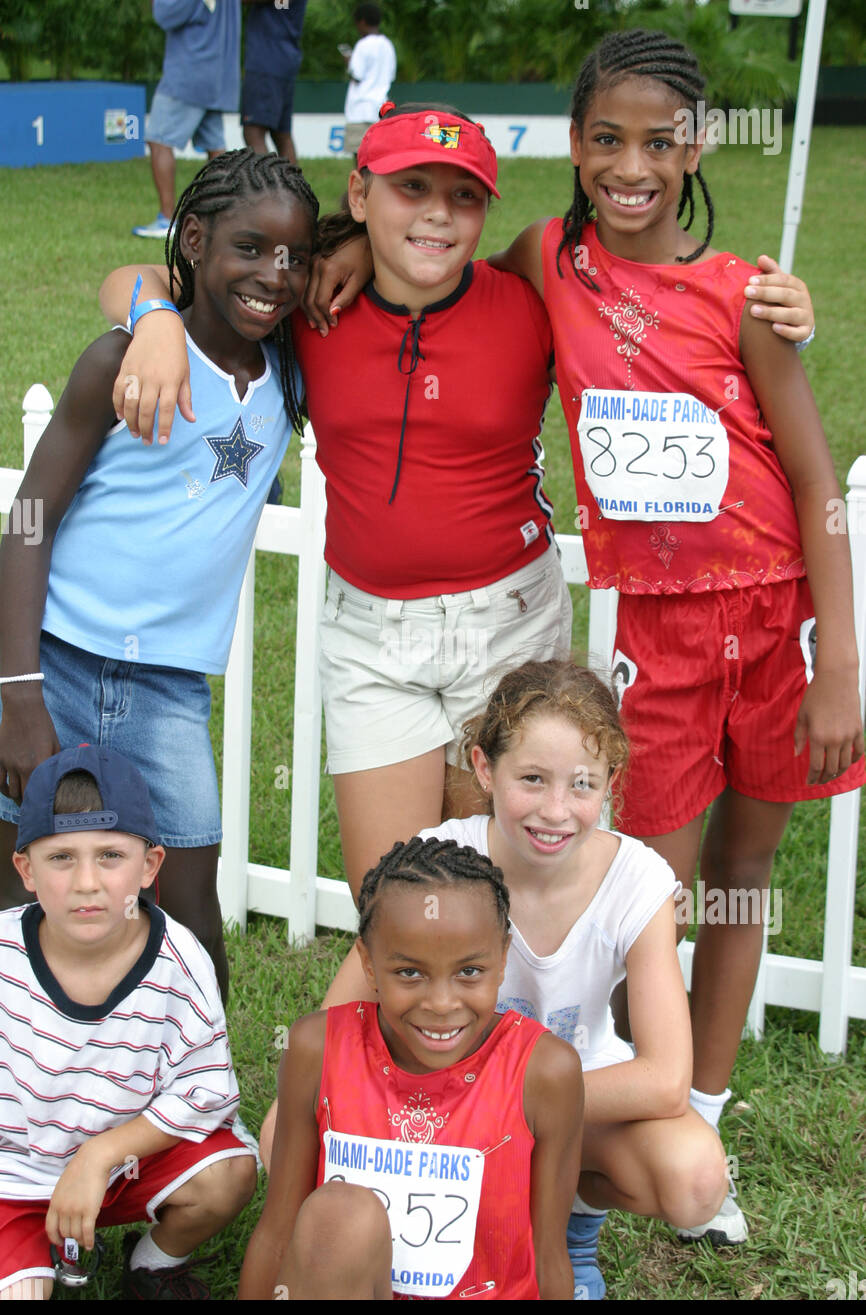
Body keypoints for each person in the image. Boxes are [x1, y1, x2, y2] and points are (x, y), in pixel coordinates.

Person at [482, 30, 864, 1245]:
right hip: (662, 631)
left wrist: (840, 660)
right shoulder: (551, 256)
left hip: (776, 621)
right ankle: (601, 1131)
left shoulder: (744, 293)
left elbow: (815, 487)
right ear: (577, 144)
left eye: (657, 141)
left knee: (741, 882)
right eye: (605, 139)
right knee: (640, 886)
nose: (629, 165)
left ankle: (696, 1109)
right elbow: (444, 284)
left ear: (695, 146)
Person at [100, 105, 574, 905]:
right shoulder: (308, 312)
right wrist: (152, 323)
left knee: (497, 899)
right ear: (359, 192)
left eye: (464, 196)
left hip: (509, 622)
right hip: (371, 637)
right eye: (410, 188)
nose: (437, 213)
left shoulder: (528, 303)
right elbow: (133, 280)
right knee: (393, 902)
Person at [0, 150, 319, 1000]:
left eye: (294, 257)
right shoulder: (120, 361)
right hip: (53, 662)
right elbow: (27, 523)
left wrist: (154, 306)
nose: (273, 275)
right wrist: (19, 697)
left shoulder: (293, 370)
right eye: (249, 249)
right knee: (18, 895)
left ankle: (203, 1109)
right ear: (196, 239)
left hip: (168, 692)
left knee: (190, 920)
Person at [312, 658, 729, 1299]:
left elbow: (667, 1079)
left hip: (571, 1101)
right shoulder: (443, 861)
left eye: (582, 784)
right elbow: (333, 1026)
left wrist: (507, 1100)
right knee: (301, 1136)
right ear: (484, 769)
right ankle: (440, 1234)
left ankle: (569, 1227)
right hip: (435, 1101)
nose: (556, 810)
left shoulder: (638, 882)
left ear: (612, 782)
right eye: (531, 779)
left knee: (696, 1178)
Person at [238, 835, 583, 1300]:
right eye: (409, 973)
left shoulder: (544, 1071)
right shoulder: (317, 1048)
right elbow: (278, 1229)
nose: (441, 1004)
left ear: (503, 959)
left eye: (469, 972)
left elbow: (548, 1255)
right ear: (369, 963)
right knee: (338, 1216)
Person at [0, 745, 257, 1301]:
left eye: (111, 856)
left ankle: (151, 1266)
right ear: (26, 870)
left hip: (126, 1166)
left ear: (149, 866)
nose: (87, 882)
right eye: (61, 857)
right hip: (15, 1177)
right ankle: (33, 1253)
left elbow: (205, 1092)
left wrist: (99, 1155)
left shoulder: (179, 957)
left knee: (228, 1174)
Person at [133, 0, 241, 239]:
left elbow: (165, 14)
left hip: (189, 72)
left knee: (158, 140)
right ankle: (222, 220)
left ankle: (167, 219)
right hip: (219, 73)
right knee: (216, 148)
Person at [242, 0, 309, 163]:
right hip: (285, 58)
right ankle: (294, 188)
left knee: (253, 130)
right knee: (281, 134)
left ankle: (265, 187)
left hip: (266, 60)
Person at [342, 4, 397, 158]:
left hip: (360, 110)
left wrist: (348, 62)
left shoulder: (363, 45)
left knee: (359, 158)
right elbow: (391, 76)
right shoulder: (388, 45)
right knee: (377, 158)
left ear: (362, 21)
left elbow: (356, 75)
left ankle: (361, 183)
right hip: (380, 109)